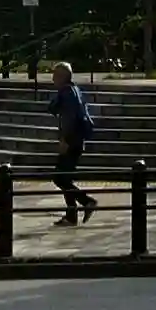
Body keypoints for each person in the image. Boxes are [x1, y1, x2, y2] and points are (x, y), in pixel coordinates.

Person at [47, 62, 97, 226]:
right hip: (77, 140)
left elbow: (69, 119)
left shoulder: (67, 93)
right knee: (64, 177)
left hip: (71, 141)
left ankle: (87, 202)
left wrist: (64, 140)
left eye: (55, 75)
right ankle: (71, 215)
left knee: (60, 177)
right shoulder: (74, 90)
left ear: (62, 77)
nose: (52, 78)